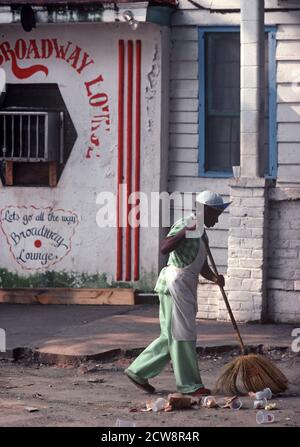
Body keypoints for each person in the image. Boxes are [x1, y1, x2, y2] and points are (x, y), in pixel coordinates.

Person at [124, 191, 231, 396]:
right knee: (182, 335)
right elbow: (165, 248)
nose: (217, 219)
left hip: (184, 285)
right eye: (216, 214)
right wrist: (184, 232)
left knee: (171, 335)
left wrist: (215, 278)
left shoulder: (201, 231)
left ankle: (138, 371)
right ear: (205, 210)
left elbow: (201, 265)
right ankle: (190, 385)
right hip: (176, 285)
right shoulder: (187, 224)